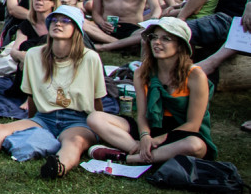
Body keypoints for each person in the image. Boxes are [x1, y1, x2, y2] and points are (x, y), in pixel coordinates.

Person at [0, 5, 104, 178]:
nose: (58, 24)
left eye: (65, 21)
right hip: (45, 117)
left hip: (77, 119)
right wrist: (32, 123)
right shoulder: (34, 55)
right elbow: (31, 96)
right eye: (54, 20)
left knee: (74, 142)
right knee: (0, 128)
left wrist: (100, 129)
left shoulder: (89, 58)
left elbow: (97, 99)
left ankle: (58, 166)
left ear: (76, 28)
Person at [86, 17, 216, 164]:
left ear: (180, 46)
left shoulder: (195, 75)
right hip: (152, 127)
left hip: (181, 133)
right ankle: (145, 151)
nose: (157, 42)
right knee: (95, 118)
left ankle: (128, 158)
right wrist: (145, 136)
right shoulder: (141, 73)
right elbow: (141, 115)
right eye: (154, 37)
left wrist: (156, 141)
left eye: (166, 39)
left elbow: (193, 125)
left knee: (195, 146)